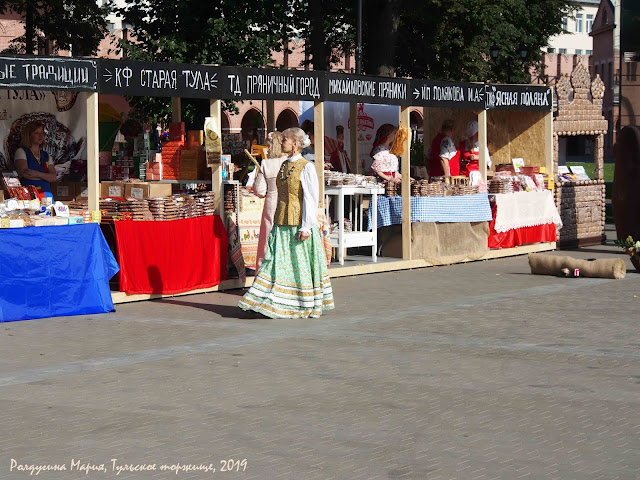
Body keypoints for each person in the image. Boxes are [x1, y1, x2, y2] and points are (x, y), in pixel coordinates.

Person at [238, 127, 334, 318]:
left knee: (298, 264)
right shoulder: (283, 165)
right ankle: (269, 299)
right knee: (275, 261)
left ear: (296, 144)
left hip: (298, 223)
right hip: (281, 222)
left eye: (285, 140)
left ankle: (300, 301)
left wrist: (306, 226)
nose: (281, 143)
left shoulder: (306, 167)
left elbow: (310, 198)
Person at [253, 131, 287, 269]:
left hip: (271, 202)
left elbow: (259, 190)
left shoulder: (266, 164)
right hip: (287, 201)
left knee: (267, 239)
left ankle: (264, 273)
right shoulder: (288, 163)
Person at [13, 121, 57, 193]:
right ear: (29, 135)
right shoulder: (21, 151)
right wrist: (46, 177)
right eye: (37, 133)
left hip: (46, 194)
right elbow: (25, 174)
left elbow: (54, 177)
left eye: (42, 133)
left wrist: (36, 174)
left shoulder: (46, 155)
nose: (41, 136)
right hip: (29, 194)